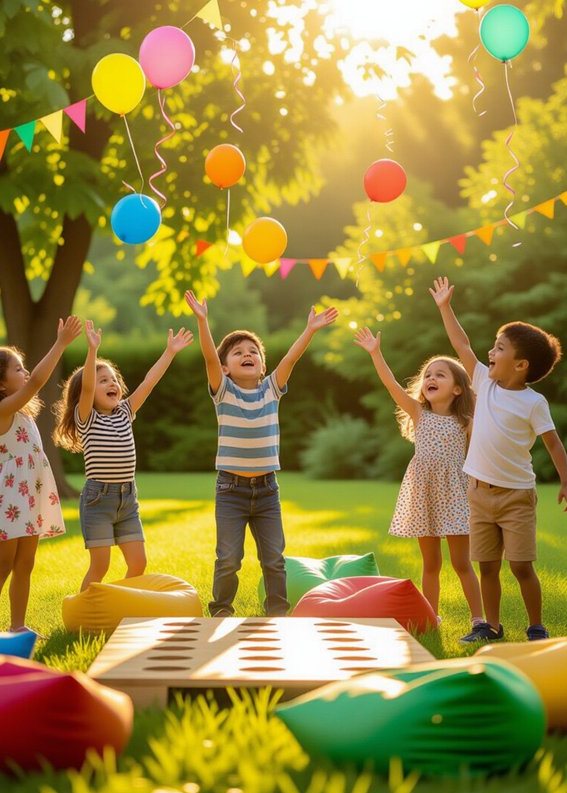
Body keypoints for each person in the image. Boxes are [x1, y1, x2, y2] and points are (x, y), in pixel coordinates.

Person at [430, 275, 567, 642]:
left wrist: (566, 481)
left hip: (516, 496)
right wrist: (445, 307)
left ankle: (536, 627)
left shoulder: (533, 403)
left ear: (520, 365)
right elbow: (461, 344)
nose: (490, 352)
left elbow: (554, 444)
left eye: (499, 348)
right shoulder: (483, 382)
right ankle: (490, 627)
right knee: (487, 566)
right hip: (478, 494)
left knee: (521, 565)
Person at [185, 290, 338, 617]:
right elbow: (209, 358)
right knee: (229, 558)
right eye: (238, 352)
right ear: (225, 369)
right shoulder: (223, 392)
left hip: (267, 490)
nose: (247, 354)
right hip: (231, 490)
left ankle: (277, 612)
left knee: (274, 559)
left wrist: (309, 330)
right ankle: (221, 610)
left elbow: (290, 360)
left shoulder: (271, 389)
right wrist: (202, 320)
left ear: (262, 364)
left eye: (253, 351)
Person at [354, 326, 483, 633]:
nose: (431, 379)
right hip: (423, 494)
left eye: (440, 375)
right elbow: (390, 383)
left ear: (458, 389)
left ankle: (479, 619)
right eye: (428, 375)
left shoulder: (467, 421)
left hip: (455, 495)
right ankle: (431, 618)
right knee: (431, 563)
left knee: (461, 562)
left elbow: (481, 451)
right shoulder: (418, 412)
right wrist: (375, 353)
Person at [53, 320, 193, 591]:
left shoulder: (125, 412)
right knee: (100, 566)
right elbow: (87, 388)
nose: (112, 383)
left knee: (138, 563)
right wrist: (92, 351)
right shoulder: (87, 418)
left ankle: (120, 605)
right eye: (103, 380)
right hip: (98, 500)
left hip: (128, 499)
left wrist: (169, 352)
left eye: (114, 379)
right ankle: (85, 610)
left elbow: (149, 382)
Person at [0, 316, 83, 635]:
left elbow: (31, 386)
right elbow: (35, 384)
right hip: (9, 500)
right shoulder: (1, 411)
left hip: (28, 496)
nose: (26, 373)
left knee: (25, 564)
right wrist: (60, 343)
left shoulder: (21, 413)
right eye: (17, 369)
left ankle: (17, 625)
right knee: (2, 564)